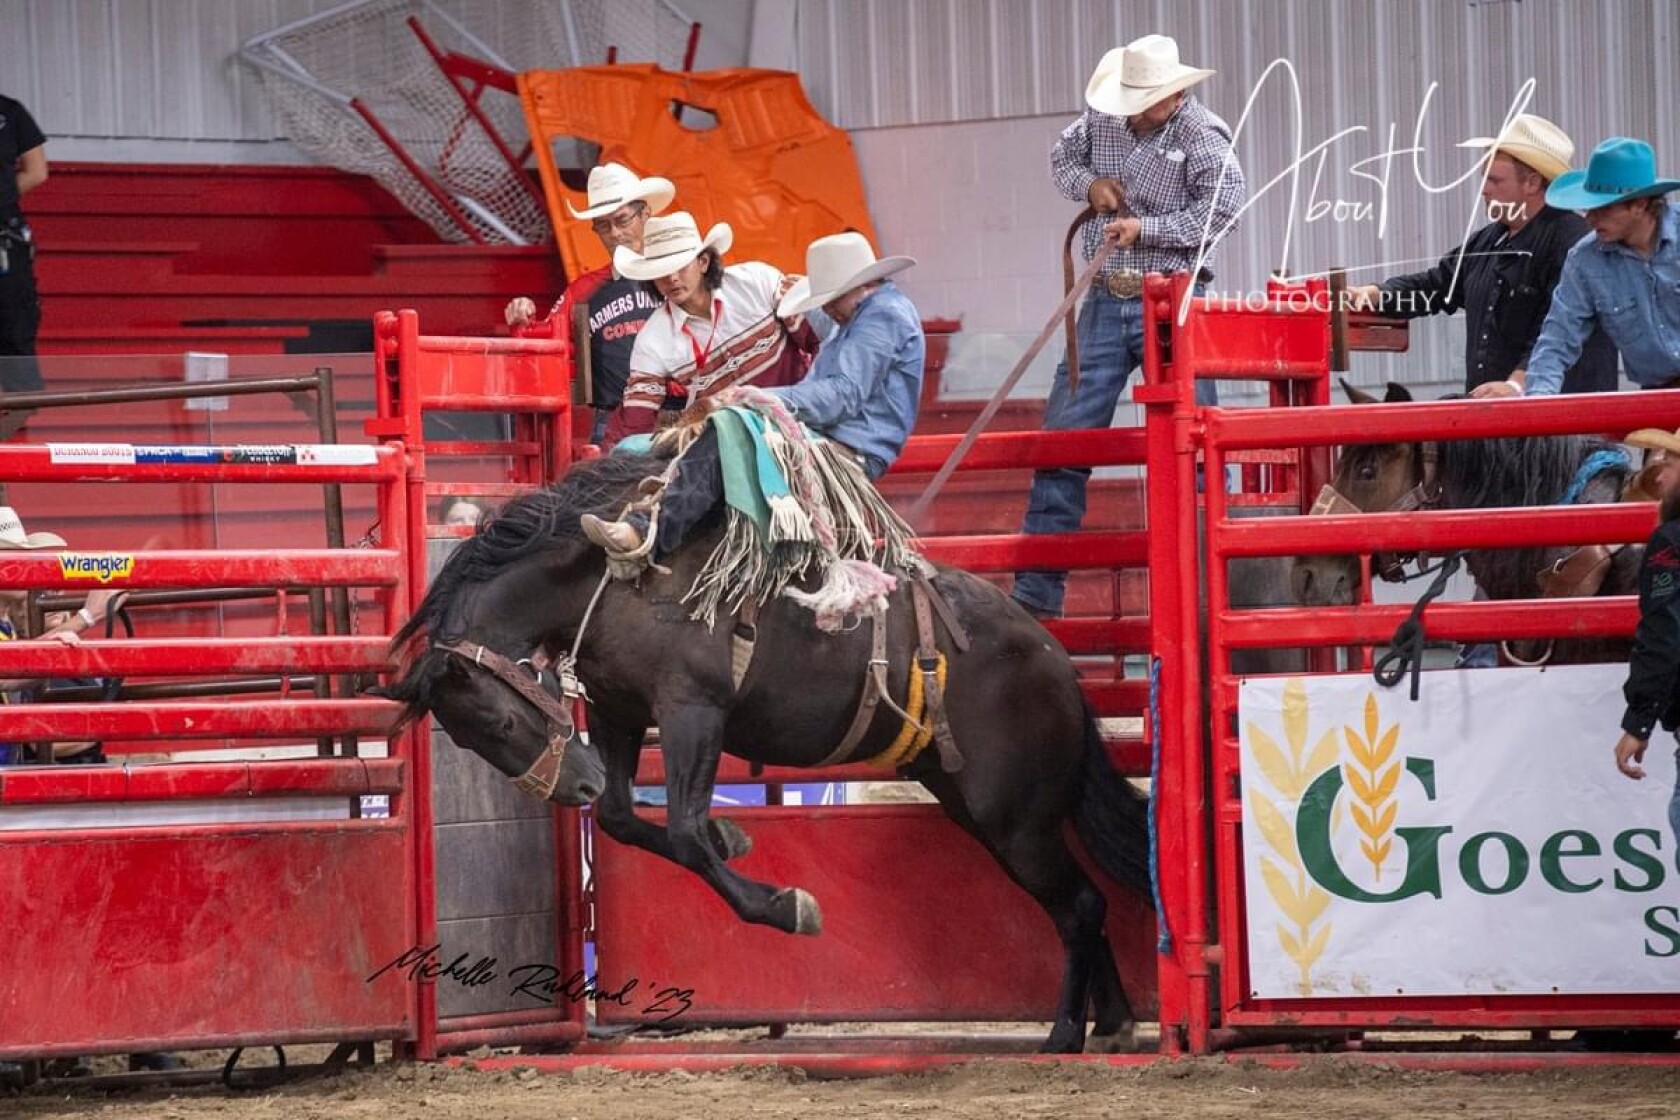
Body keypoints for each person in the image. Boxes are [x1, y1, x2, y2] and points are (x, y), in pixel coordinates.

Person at [1013, 34, 1247, 620]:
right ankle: (1038, 597)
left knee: (1191, 446)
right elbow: (1062, 159)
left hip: (1170, 301)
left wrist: (1147, 229)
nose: (1135, 110)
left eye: (1145, 100)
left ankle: (1203, 593)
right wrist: (1090, 187)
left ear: (1173, 95)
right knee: (1065, 439)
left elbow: (1225, 211)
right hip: (1105, 296)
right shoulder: (1103, 117)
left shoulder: (1202, 135)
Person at [579, 230, 922, 562]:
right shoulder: (864, 317)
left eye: (830, 300)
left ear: (702, 262)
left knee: (728, 430)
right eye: (660, 274)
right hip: (815, 433)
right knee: (668, 443)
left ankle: (647, 535)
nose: (826, 311)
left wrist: (747, 400)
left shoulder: (880, 316)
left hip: (843, 445)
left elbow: (840, 396)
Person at [1348, 114, 1617, 394]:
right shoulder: (1488, 241)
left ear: (1532, 183)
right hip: (1498, 414)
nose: (1484, 190)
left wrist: (1517, 384)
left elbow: (1563, 328)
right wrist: (1375, 294)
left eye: (1495, 180)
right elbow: (1437, 285)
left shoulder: (1572, 243)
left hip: (1561, 422)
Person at [1471, 137, 1680, 398]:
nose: (1590, 219)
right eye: (1588, 208)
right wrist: (1538, 405)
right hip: (1659, 396)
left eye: (1602, 209)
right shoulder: (1585, 260)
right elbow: (1557, 339)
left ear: (1638, 205)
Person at [600, 211, 817, 449]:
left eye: (680, 266)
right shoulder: (652, 340)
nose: (671, 278)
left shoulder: (757, 282)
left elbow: (817, 339)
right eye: (661, 271)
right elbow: (636, 421)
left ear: (703, 262)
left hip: (802, 417)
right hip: (732, 443)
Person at [505, 162, 676, 443]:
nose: (615, 234)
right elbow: (545, 342)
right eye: (603, 225)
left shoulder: (678, 273)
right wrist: (523, 320)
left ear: (645, 214)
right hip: (613, 422)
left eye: (622, 221)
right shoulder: (583, 290)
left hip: (678, 413)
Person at [1613, 428, 1680, 848]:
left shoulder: (1670, 543)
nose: (1662, 476)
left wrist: (1639, 720)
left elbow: (1666, 634)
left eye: (1670, 464)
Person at [1, 93, 48, 437]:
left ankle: (12, 427)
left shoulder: (9, 111)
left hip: (6, 240)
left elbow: (36, 172)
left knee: (15, 324)